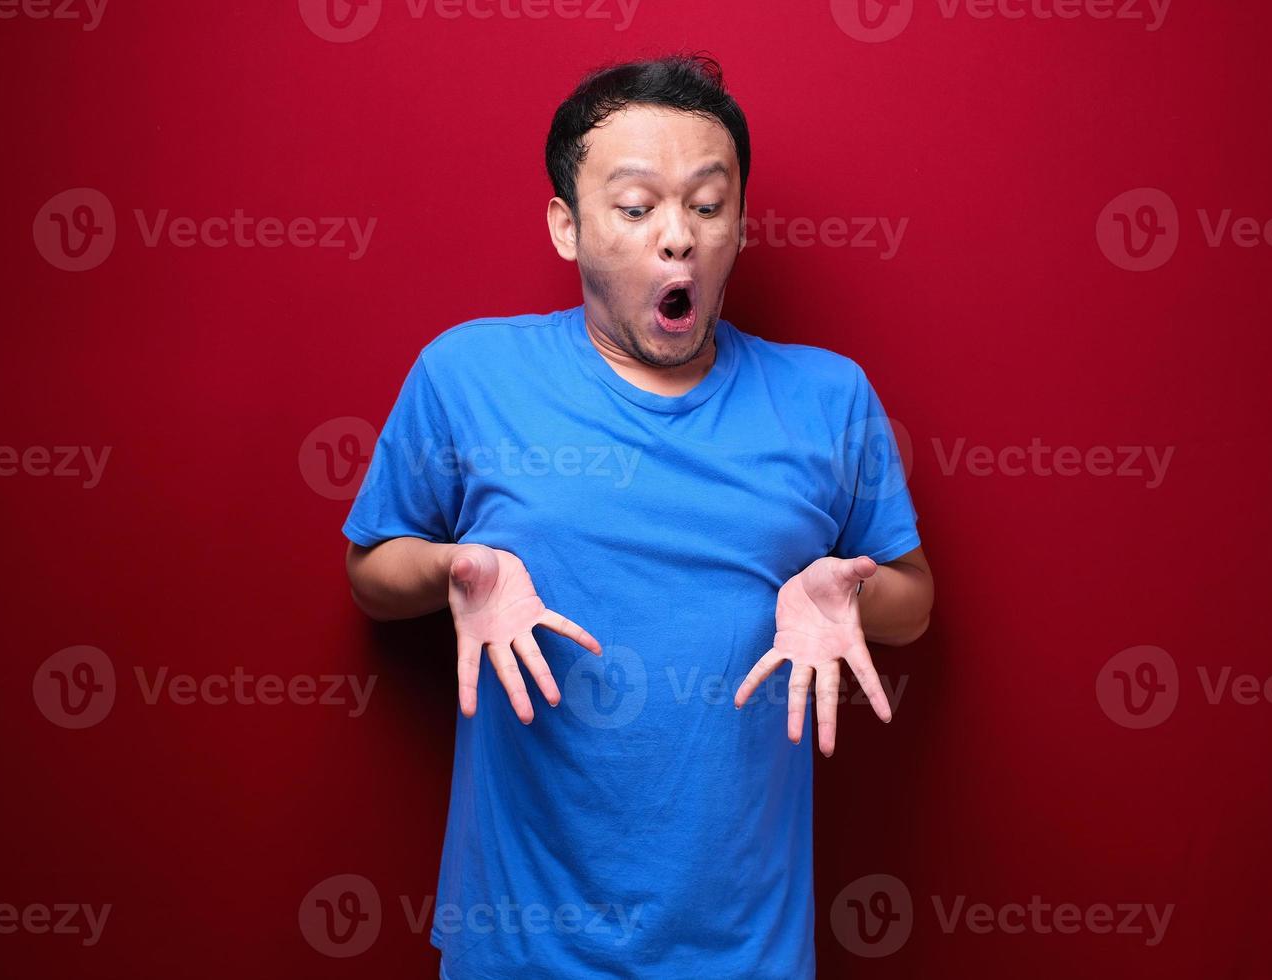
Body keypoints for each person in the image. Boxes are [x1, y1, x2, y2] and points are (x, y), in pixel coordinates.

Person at [342, 52, 934, 980]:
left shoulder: (828, 397)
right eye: (635, 207)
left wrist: (848, 592)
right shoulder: (468, 376)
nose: (679, 238)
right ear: (567, 227)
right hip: (519, 950)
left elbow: (915, 600)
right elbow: (371, 573)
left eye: (707, 205)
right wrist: (453, 571)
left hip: (746, 953)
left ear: (739, 224)